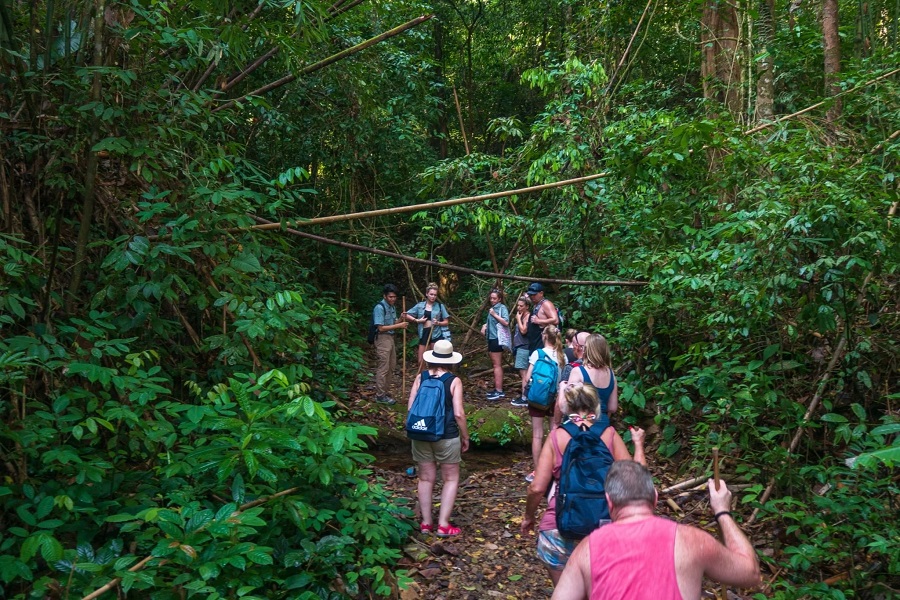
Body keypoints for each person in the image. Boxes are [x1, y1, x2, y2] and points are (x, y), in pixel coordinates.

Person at [552, 461, 761, 600]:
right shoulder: (690, 540)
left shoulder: (587, 549)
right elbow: (750, 573)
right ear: (655, 497)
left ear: (609, 502)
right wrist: (723, 512)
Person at [521, 384, 646, 586]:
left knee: (565, 591)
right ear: (596, 406)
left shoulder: (556, 437)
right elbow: (636, 480)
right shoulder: (610, 434)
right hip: (604, 527)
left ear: (566, 407)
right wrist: (638, 444)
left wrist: (529, 517)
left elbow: (536, 488)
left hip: (559, 527)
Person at [407, 339, 470, 538]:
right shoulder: (454, 380)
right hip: (446, 434)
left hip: (420, 431)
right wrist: (465, 437)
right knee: (450, 478)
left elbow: (410, 408)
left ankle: (426, 523)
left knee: (425, 478)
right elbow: (459, 413)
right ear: (450, 360)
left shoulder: (421, 377)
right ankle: (443, 524)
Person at [523, 325, 566, 482]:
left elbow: (527, 378)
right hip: (555, 399)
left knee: (537, 435)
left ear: (545, 337)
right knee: (554, 432)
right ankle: (555, 468)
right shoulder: (563, 356)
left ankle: (538, 471)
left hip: (538, 399)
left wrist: (525, 394)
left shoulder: (538, 354)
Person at [372, 284, 408, 404]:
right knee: (384, 367)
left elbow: (393, 323)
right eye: (390, 297)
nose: (393, 299)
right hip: (382, 338)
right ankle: (380, 395)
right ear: (385, 296)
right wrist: (399, 325)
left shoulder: (392, 307)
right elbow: (381, 328)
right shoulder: (380, 307)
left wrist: (401, 319)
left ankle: (385, 391)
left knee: (391, 366)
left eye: (394, 297)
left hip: (390, 338)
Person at [566, 334, 618, 417]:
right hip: (602, 423)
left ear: (587, 350)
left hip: (580, 422)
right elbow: (612, 408)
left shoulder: (578, 371)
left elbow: (568, 403)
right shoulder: (611, 374)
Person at [405, 282, 450, 365]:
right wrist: (417, 320)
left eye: (435, 295)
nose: (433, 297)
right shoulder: (420, 306)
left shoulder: (440, 306)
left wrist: (438, 323)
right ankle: (423, 377)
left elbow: (446, 322)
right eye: (431, 294)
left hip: (436, 334)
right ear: (427, 294)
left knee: (435, 360)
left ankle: (434, 377)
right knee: (421, 361)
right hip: (424, 333)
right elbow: (406, 315)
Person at [553, 331, 589, 427]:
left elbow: (561, 400)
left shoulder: (571, 368)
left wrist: (556, 423)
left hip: (573, 421)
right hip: (595, 420)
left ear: (577, 347)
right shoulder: (603, 369)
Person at [481, 288, 510, 400]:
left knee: (497, 365)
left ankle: (499, 391)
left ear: (500, 299)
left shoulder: (501, 308)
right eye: (491, 298)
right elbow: (492, 323)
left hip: (497, 339)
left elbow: (506, 322)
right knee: (495, 364)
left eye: (494, 298)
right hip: (492, 338)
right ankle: (497, 389)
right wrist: (485, 326)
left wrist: (494, 314)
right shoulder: (493, 308)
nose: (492, 300)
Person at [510, 296, 532, 408]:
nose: (518, 308)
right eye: (518, 305)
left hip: (524, 347)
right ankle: (526, 396)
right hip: (521, 347)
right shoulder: (523, 315)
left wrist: (518, 318)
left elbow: (524, 330)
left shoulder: (527, 316)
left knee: (524, 374)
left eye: (521, 306)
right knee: (524, 373)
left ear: (527, 306)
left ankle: (524, 398)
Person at [525, 282, 559, 354]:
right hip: (534, 342)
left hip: (542, 341)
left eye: (534, 295)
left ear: (541, 293)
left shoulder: (546, 304)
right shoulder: (536, 304)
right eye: (531, 295)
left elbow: (555, 320)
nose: (532, 297)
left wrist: (538, 321)